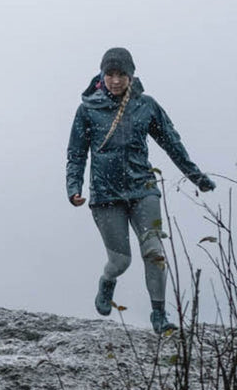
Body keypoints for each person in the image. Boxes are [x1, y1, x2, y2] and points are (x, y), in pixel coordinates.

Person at [65, 47, 214, 334]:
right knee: (120, 261)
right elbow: (76, 153)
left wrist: (196, 176)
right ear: (102, 75)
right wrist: (73, 187)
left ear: (131, 75)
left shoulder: (146, 106)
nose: (115, 80)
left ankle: (159, 314)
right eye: (110, 74)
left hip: (143, 188)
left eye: (121, 74)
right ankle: (107, 282)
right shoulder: (87, 110)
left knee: (154, 251)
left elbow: (172, 143)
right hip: (106, 196)